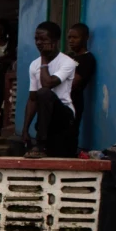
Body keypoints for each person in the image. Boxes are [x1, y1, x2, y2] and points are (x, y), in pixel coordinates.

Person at [20, 21, 78, 159]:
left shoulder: (67, 62)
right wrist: (25, 129)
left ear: (55, 41)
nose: (39, 43)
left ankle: (40, 144)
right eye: (36, 39)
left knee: (44, 92)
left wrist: (44, 58)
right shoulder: (34, 65)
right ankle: (41, 142)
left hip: (64, 115)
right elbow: (33, 98)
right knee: (40, 95)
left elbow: (48, 84)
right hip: (46, 120)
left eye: (43, 39)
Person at [68, 23, 96, 148]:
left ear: (85, 38)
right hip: (59, 101)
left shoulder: (88, 59)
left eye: (75, 37)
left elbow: (74, 83)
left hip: (74, 101)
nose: (71, 41)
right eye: (69, 37)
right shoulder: (68, 57)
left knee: (70, 133)